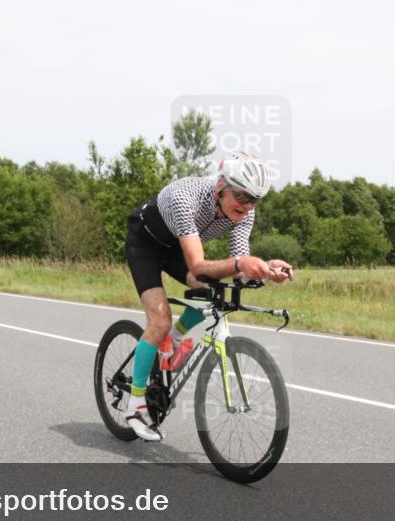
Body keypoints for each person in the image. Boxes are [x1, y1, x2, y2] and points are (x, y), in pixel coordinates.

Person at [122, 152, 294, 441]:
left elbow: (239, 265)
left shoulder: (244, 213)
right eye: (242, 196)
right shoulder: (185, 197)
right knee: (159, 320)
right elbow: (199, 266)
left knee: (210, 293)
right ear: (221, 187)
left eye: (255, 199)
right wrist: (242, 264)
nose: (248, 205)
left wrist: (265, 270)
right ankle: (135, 405)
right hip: (145, 246)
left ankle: (173, 340)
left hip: (177, 247)